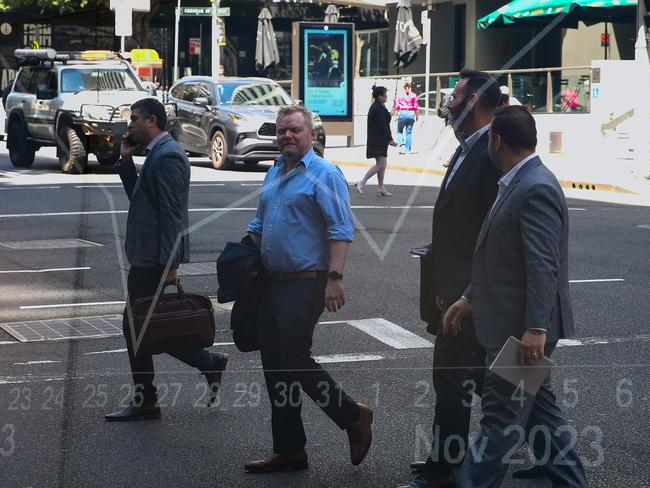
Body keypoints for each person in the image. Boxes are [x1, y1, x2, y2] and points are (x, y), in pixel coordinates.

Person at [443, 106, 588, 488]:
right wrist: (470, 298)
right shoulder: (517, 181)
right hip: (515, 325)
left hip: (522, 330)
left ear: (497, 140)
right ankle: (571, 480)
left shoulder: (534, 186)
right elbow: (503, 257)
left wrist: (536, 328)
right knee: (541, 412)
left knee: (500, 421)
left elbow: (543, 266)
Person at [245, 105, 373, 473]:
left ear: (311, 135)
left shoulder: (324, 173)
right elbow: (260, 221)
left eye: (295, 131)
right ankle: (289, 450)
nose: (287, 136)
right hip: (272, 282)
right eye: (282, 131)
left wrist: (335, 278)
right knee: (275, 366)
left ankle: (353, 416)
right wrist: (240, 254)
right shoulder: (274, 171)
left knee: (295, 358)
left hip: (308, 282)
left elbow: (340, 229)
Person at [398, 69, 502, 488]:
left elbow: (493, 232)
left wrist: (465, 290)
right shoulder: (466, 147)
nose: (448, 101)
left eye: (455, 94)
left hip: (473, 294)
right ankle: (549, 454)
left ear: (474, 101)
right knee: (494, 383)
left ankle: (445, 468)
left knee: (455, 379)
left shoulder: (492, 151)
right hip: (458, 288)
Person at [105, 98, 228, 421]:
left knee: (138, 325)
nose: (129, 124)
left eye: (134, 118)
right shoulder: (157, 153)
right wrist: (125, 160)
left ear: (152, 121)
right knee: (144, 325)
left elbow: (173, 215)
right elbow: (143, 200)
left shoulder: (169, 155)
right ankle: (206, 363)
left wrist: (172, 265)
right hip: (150, 256)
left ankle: (147, 399)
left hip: (157, 259)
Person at [356, 85, 396, 197]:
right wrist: (389, 138)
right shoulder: (378, 108)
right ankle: (362, 182)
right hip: (378, 140)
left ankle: (381, 187)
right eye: (385, 95)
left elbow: (384, 121)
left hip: (378, 139)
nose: (386, 97)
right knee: (381, 164)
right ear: (379, 96)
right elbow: (383, 125)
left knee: (382, 164)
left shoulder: (378, 106)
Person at [394, 81, 419, 154]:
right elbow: (416, 107)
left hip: (402, 113)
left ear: (403, 88)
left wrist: (395, 116)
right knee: (409, 133)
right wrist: (417, 116)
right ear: (410, 87)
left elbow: (397, 107)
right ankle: (407, 150)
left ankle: (401, 143)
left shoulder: (400, 95)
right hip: (411, 114)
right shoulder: (414, 95)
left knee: (399, 131)